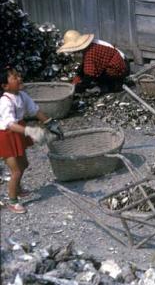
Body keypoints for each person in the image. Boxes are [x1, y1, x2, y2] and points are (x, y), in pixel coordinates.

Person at [0, 67, 64, 214]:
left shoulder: (22, 95)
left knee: (24, 164)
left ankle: (18, 188)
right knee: (15, 170)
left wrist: (50, 123)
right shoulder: (5, 101)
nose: (19, 78)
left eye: (18, 75)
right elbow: (9, 124)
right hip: (5, 135)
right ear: (5, 86)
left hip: (18, 131)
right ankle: (13, 201)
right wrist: (30, 131)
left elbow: (35, 110)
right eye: (14, 77)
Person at [57, 30, 129, 93]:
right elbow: (84, 68)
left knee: (96, 77)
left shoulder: (91, 51)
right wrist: (75, 82)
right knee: (90, 74)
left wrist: (81, 87)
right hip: (118, 62)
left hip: (121, 66)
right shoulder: (90, 46)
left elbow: (89, 74)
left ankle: (113, 86)